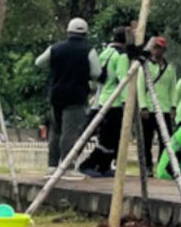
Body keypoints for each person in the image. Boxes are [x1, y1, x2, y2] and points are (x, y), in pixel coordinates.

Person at [35, 17, 103, 177]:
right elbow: (96, 73)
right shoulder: (89, 50)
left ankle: (52, 166)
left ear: (68, 31)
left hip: (56, 95)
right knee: (70, 132)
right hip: (76, 96)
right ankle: (67, 167)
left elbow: (39, 62)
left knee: (56, 131)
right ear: (86, 33)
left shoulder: (56, 48)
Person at [80, 27, 130, 177]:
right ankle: (89, 164)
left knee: (105, 136)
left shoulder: (105, 52)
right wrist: (127, 102)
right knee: (111, 138)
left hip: (100, 99)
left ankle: (104, 166)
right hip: (114, 102)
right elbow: (123, 80)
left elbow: (95, 76)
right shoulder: (121, 56)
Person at [138, 36, 177, 172]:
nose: (157, 51)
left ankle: (162, 165)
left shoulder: (170, 68)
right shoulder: (145, 66)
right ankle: (147, 166)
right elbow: (140, 87)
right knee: (146, 140)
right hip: (149, 107)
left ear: (164, 50)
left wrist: (173, 106)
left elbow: (173, 88)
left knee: (165, 140)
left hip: (164, 108)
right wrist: (143, 106)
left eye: (159, 48)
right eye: (155, 47)